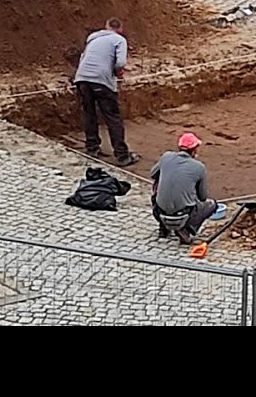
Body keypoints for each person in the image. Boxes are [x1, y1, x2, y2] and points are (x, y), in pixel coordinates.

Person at [73, 17, 138, 166]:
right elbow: (120, 62)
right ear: (120, 29)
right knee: (112, 118)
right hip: (101, 80)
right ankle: (122, 156)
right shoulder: (119, 40)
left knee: (89, 113)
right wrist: (117, 72)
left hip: (82, 78)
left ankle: (92, 148)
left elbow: (84, 57)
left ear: (106, 27)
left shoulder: (92, 37)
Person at [150, 132, 218, 244]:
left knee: (158, 185)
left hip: (159, 211)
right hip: (184, 214)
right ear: (195, 150)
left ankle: (163, 229)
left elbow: (153, 174)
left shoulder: (166, 157)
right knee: (211, 204)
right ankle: (186, 229)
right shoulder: (198, 167)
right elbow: (203, 197)